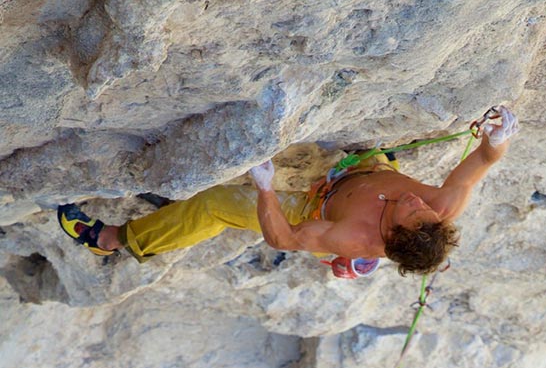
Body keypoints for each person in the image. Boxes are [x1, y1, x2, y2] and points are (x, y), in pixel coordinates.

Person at [58, 106, 520, 276]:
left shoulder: (352, 236)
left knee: (216, 204)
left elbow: (282, 239)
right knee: (376, 155)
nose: (421, 202)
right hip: (359, 170)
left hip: (313, 204)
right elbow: (481, 160)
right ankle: (354, 260)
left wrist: (264, 190)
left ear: (390, 236)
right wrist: (497, 137)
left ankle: (119, 240)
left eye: (413, 213)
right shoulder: (442, 207)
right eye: (428, 212)